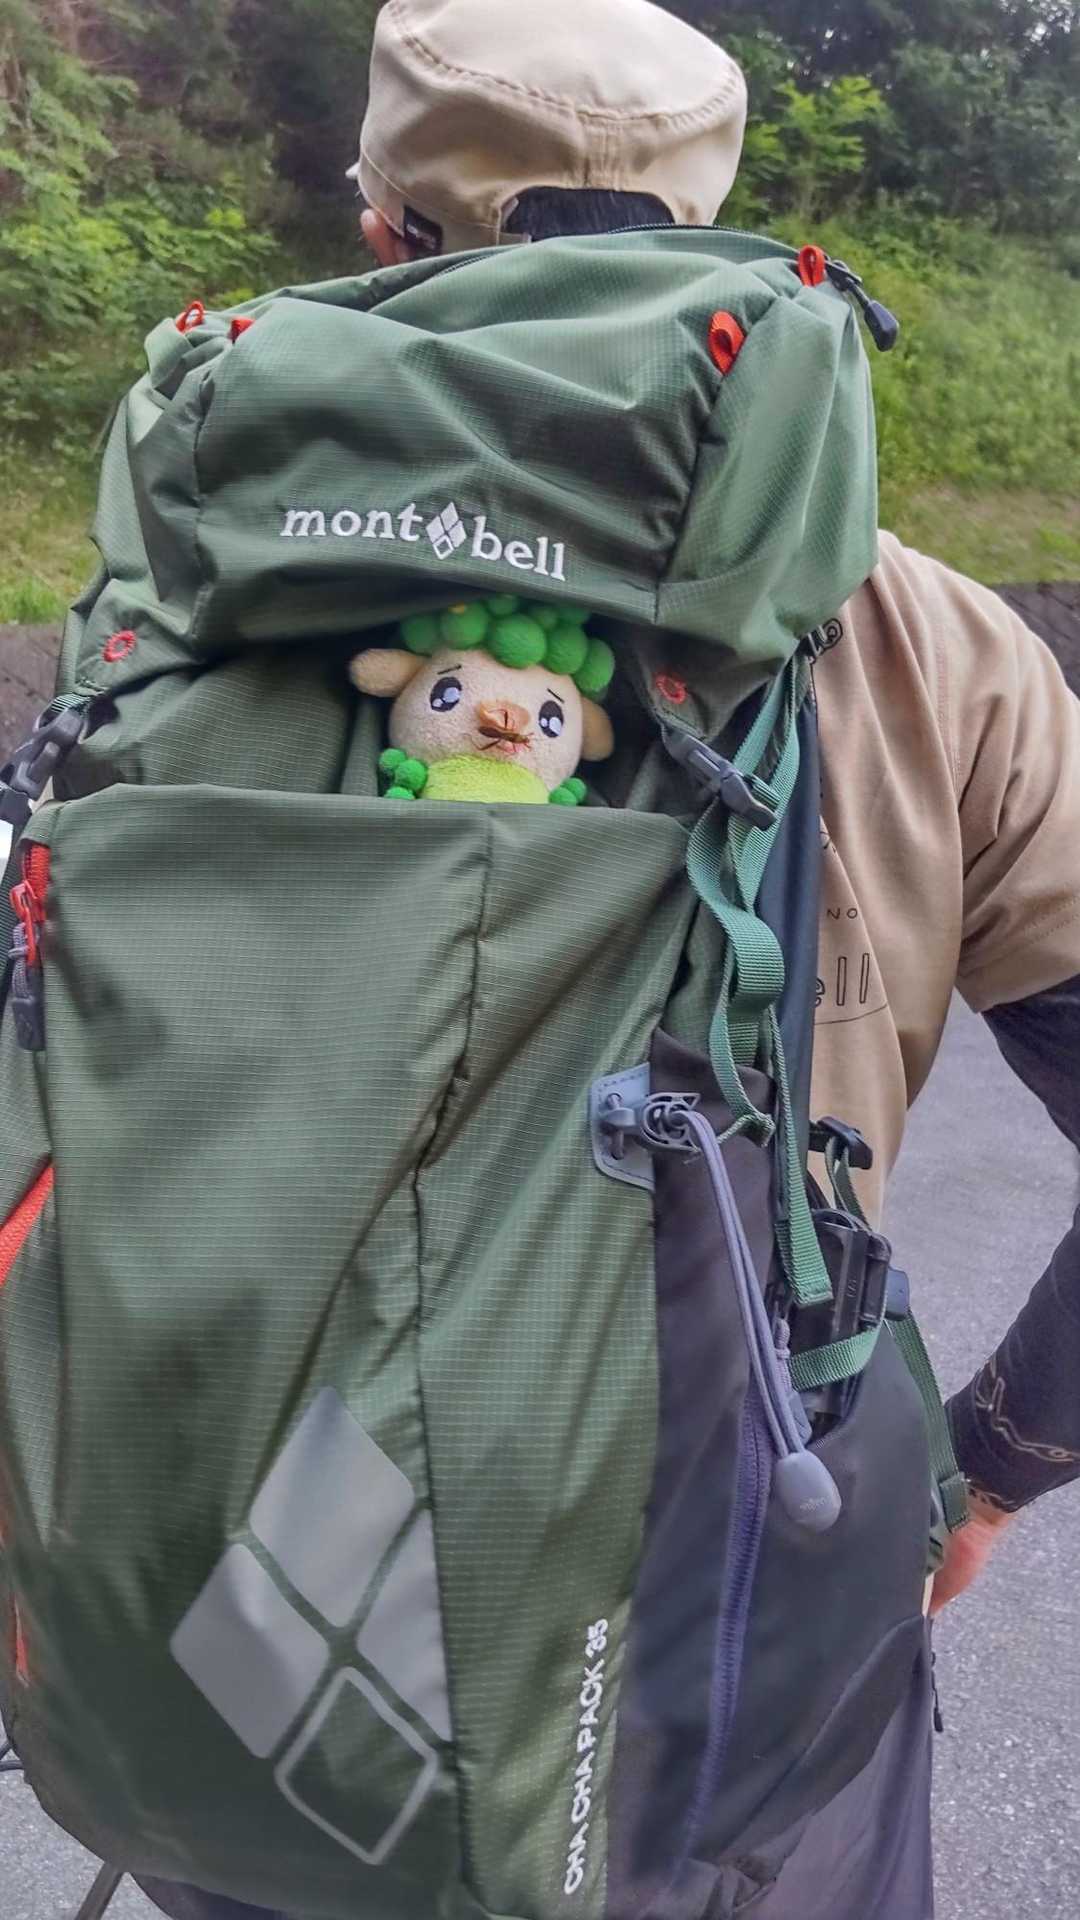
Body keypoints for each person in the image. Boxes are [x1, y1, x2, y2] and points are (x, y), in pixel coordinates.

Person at [134, 1, 1080, 1917]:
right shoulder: (938, 650)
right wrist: (993, 1459)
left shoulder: (192, 600)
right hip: (759, 1560)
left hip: (275, 1544)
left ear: (385, 231)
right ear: (711, 229)